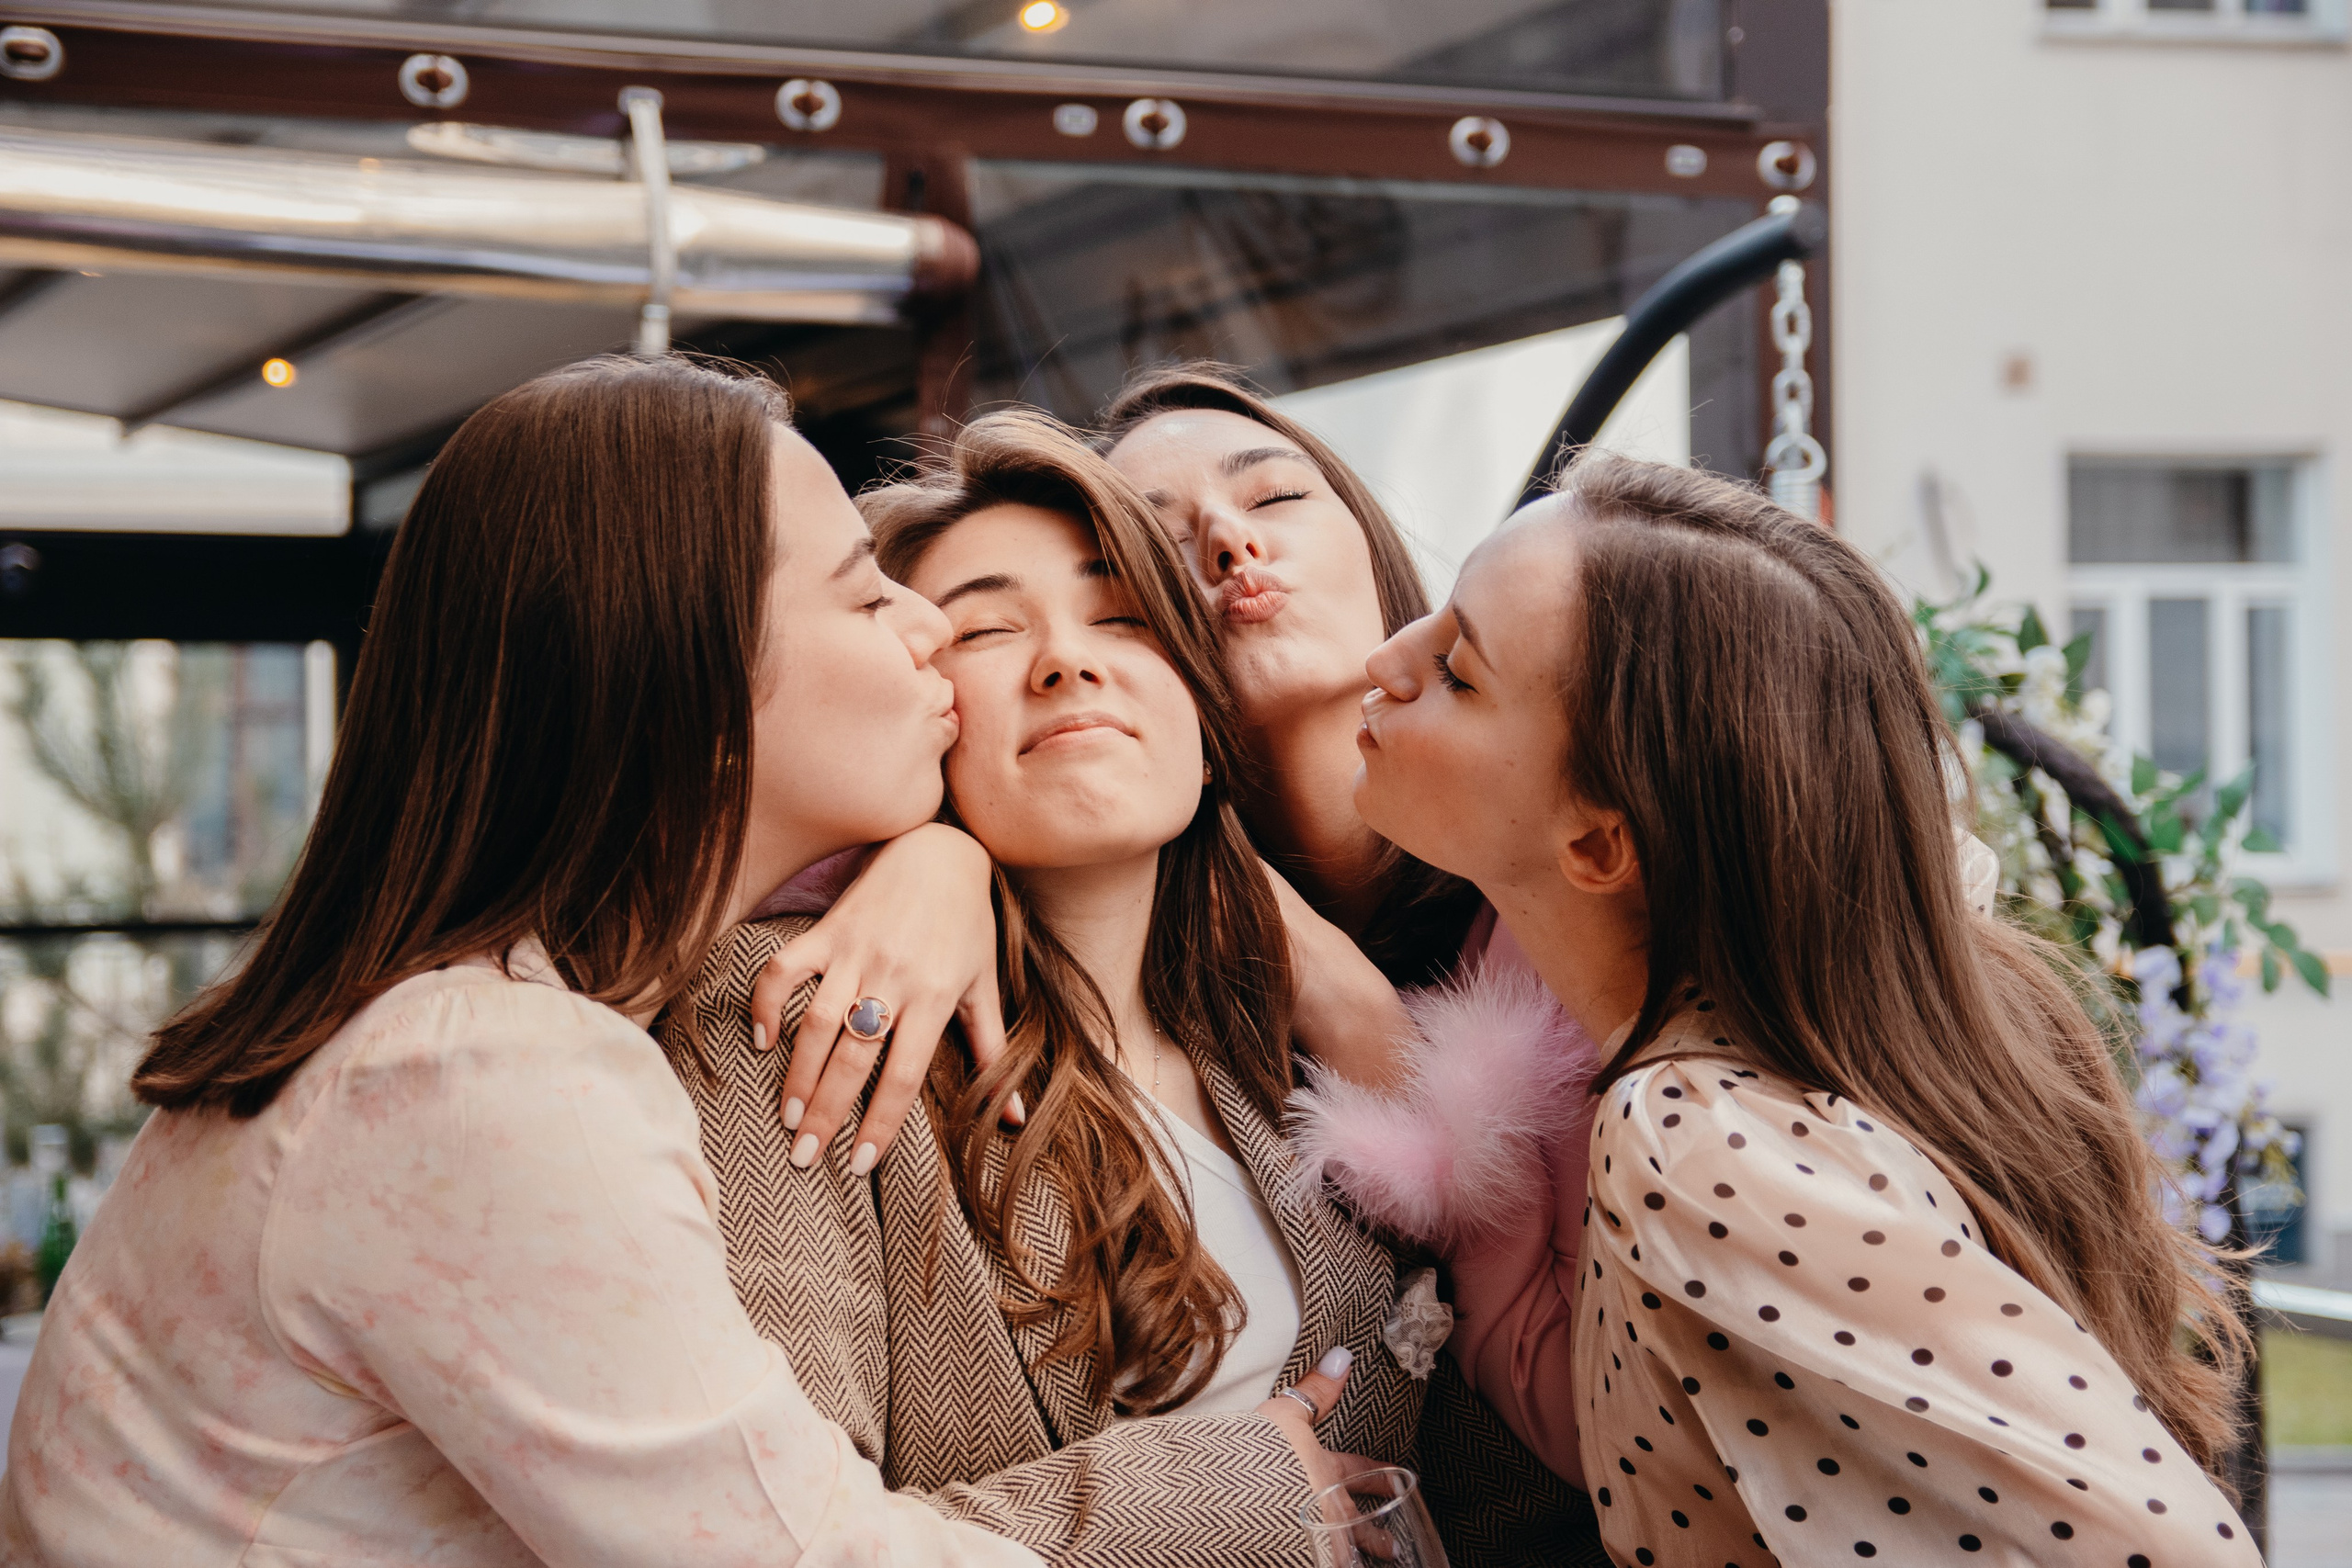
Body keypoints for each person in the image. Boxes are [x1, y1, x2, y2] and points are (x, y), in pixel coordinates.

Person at [0, 355, 1041, 1567]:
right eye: (867, 599)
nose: (933, 627)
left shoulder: (412, 1028)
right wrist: (1240, 1485)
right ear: (685, 690)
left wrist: (947, 864)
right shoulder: (480, 1074)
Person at [1301, 452, 2262, 1566]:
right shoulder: (1745, 1076)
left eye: (1458, 671)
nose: (1385, 658)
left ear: (1599, 842)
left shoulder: (1695, 1133)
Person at [661, 411, 1419, 1567]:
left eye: (1121, 619)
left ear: (1206, 728)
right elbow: (763, 1537)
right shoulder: (799, 1016)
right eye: (984, 632)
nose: (1068, 661)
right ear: (914, 707)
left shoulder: (1282, 1050)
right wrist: (1235, 1491)